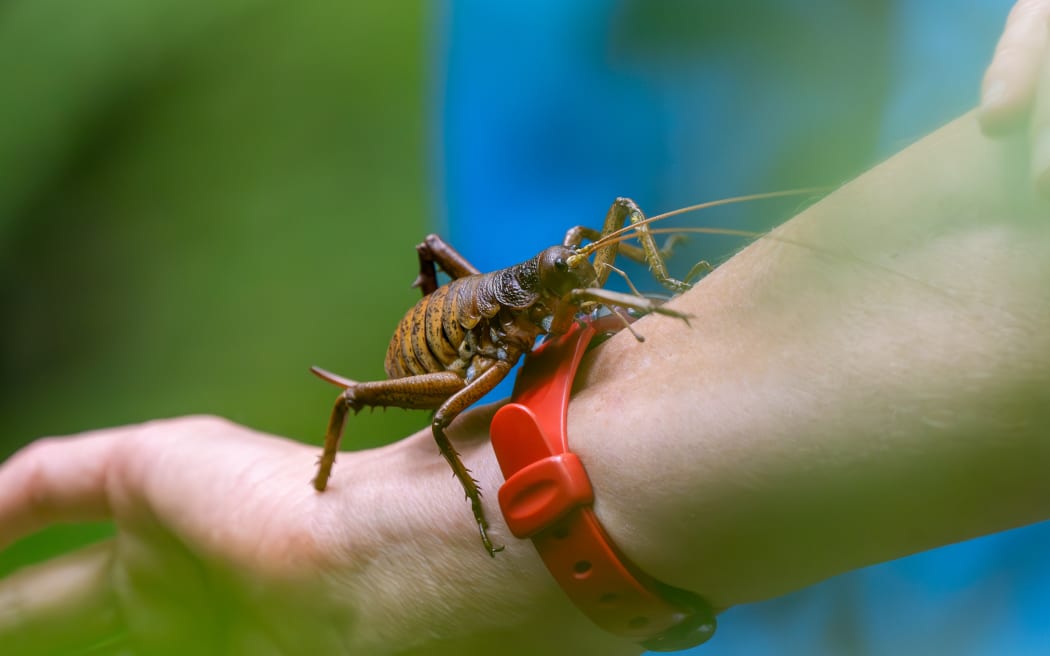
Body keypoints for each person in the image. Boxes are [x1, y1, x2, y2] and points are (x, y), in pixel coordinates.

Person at [1, 4, 1049, 656]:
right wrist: (422, 516)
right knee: (368, 400)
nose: (588, 276)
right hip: (495, 381)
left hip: (924, 568)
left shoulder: (570, 265)